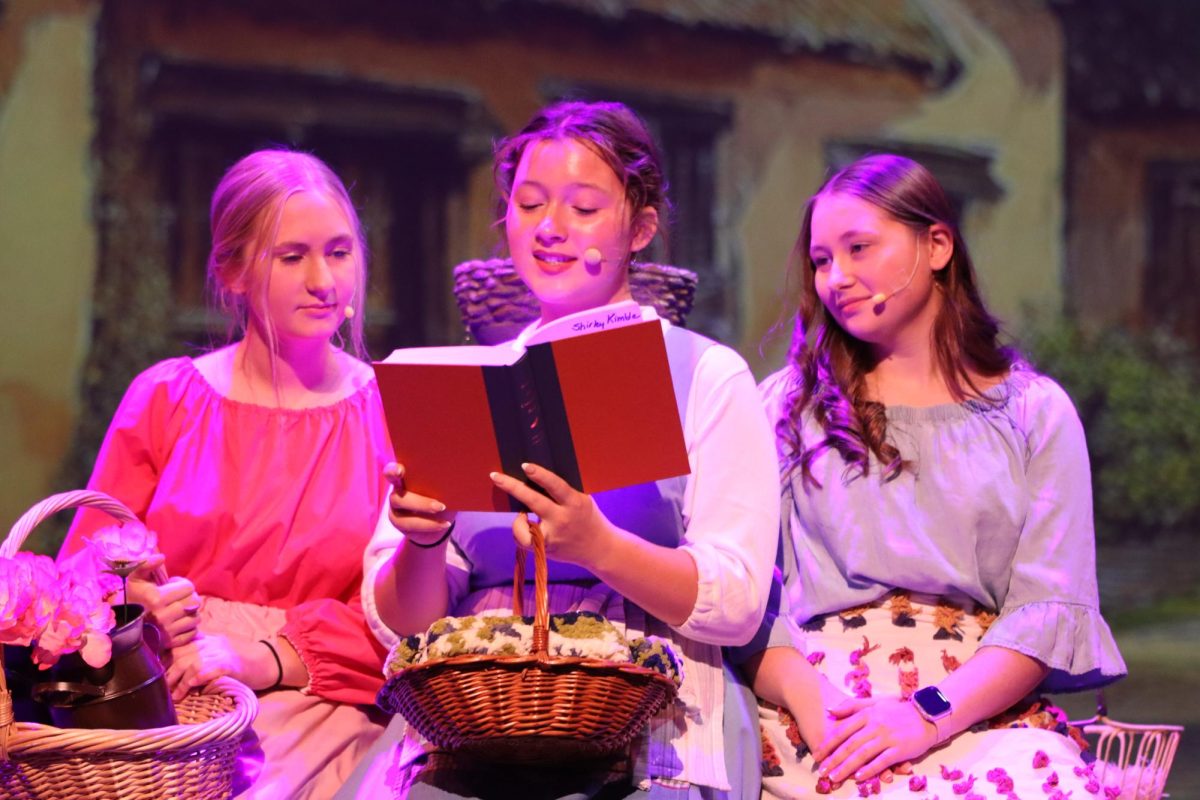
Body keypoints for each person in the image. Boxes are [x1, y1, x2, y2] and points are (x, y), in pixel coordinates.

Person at [337, 100, 779, 799]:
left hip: (643, 698)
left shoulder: (706, 374)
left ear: (640, 228)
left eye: (583, 207)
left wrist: (597, 545)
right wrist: (420, 543)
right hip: (478, 704)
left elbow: (739, 602)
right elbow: (405, 625)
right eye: (530, 203)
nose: (549, 229)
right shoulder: (468, 383)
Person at [742, 154, 1127, 798]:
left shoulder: (1032, 413)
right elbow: (747, 595)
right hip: (821, 712)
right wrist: (814, 704)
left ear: (938, 245)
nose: (837, 277)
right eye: (821, 260)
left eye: (860, 248)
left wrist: (927, 714)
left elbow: (1044, 608)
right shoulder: (786, 407)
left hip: (977, 707)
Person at [62, 149, 393, 799]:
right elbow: (82, 569)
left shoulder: (391, 411)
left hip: (326, 702)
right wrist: (137, 603)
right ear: (233, 271)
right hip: (169, 696)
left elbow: (400, 611)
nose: (324, 280)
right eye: (292, 257)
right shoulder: (166, 399)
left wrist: (263, 658)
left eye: (340, 251)